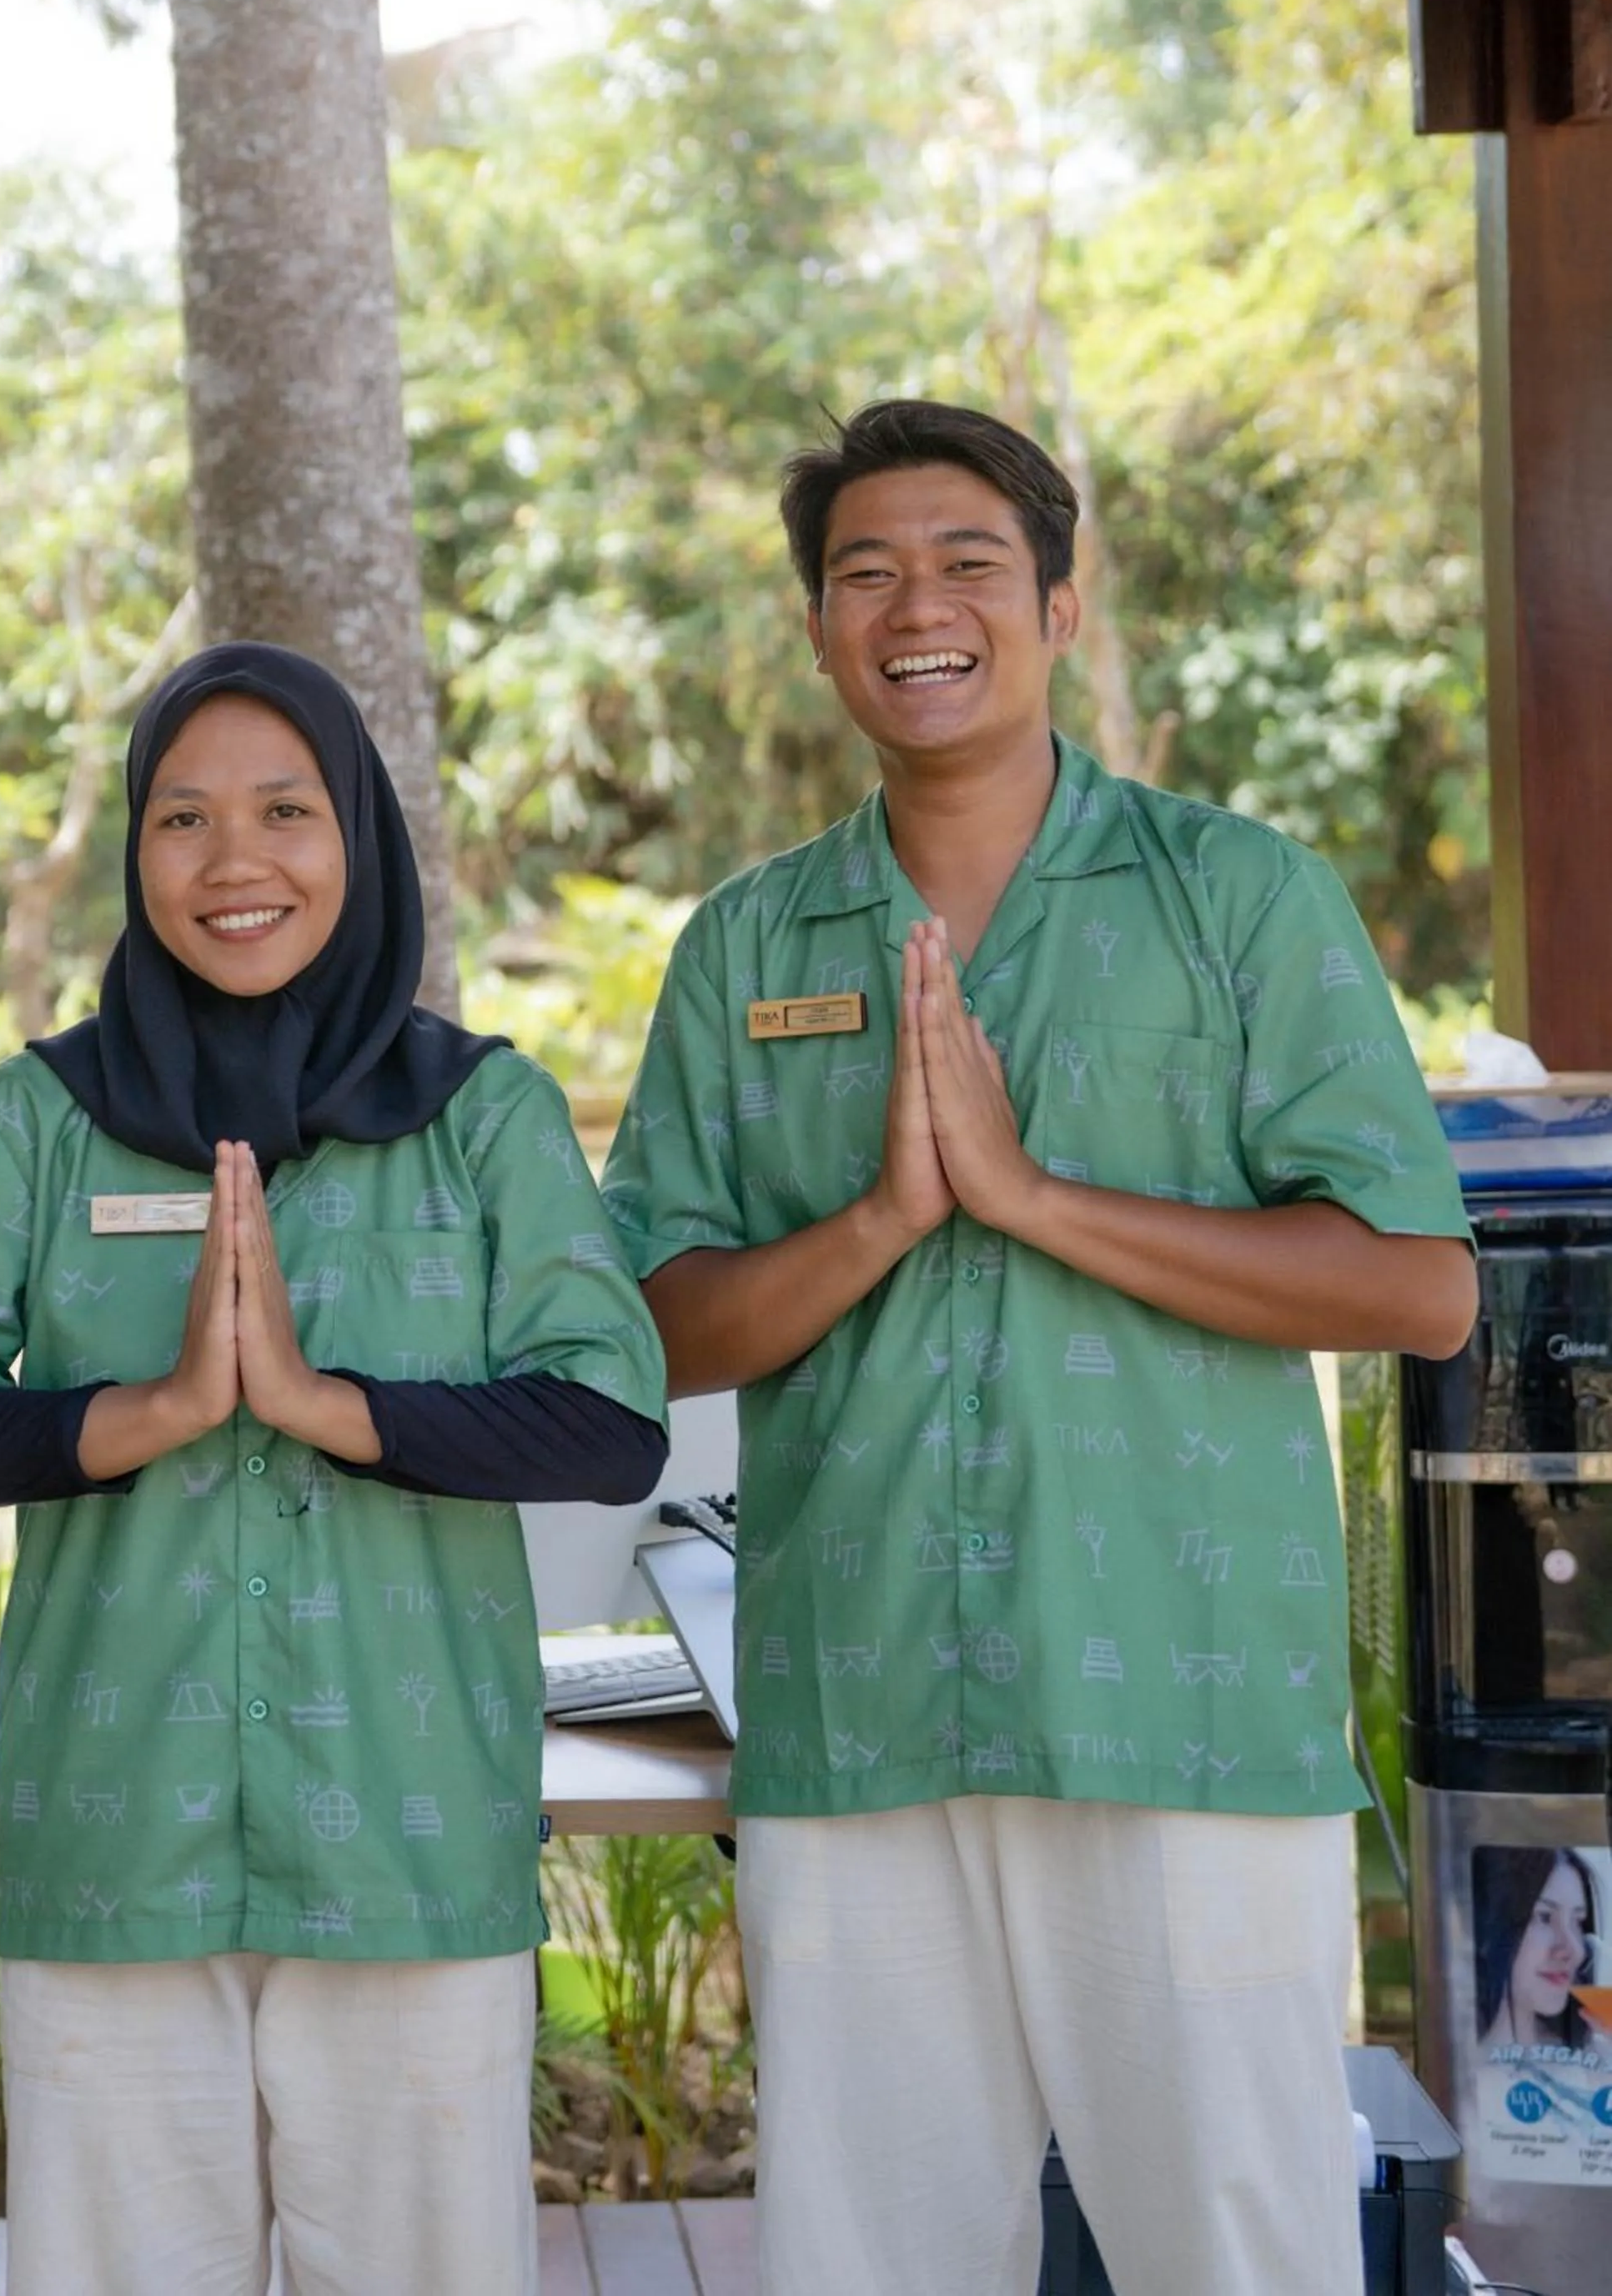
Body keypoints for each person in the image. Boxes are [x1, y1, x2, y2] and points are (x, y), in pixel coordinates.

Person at [600, 401, 1477, 2296]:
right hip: (856, 1711)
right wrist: (881, 1220)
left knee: (1232, 2251)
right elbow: (645, 1329)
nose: (915, 604)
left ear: (1059, 603)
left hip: (1174, 1706)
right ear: (819, 630)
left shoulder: (1235, 896)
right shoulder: (748, 944)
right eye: (863, 572)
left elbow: (1415, 1282)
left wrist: (1025, 1193)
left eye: (965, 560)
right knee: (869, 2263)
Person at [0, 642, 668, 2296]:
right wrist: (144, 1414)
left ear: (359, 835)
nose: (236, 863)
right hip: (116, 1824)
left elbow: (609, 1419)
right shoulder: (41, 1119)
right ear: (136, 859)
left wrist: (314, 1399)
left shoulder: (481, 1115)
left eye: (287, 810)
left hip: (412, 1846)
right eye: (184, 819)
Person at [1476, 1847, 1611, 2062]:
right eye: (1545, 1917)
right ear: (1491, 1927)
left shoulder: (1595, 2062)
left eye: (1577, 1921)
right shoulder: (1461, 2075)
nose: (1574, 1950)